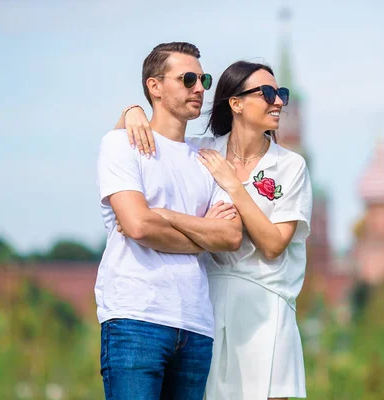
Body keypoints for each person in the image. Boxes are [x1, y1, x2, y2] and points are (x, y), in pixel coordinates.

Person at [117, 60, 313, 400]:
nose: (278, 101)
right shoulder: (201, 150)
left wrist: (233, 186)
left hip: (266, 306)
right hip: (205, 303)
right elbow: (137, 139)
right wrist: (132, 112)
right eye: (267, 93)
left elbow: (273, 245)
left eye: (281, 93)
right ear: (236, 104)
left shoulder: (290, 165)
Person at [96, 42, 243, 400]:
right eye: (188, 79)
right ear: (155, 86)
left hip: (195, 326)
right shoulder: (120, 145)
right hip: (135, 318)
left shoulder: (209, 159)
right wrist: (200, 234)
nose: (200, 88)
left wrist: (165, 216)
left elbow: (230, 235)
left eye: (203, 79)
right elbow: (138, 226)